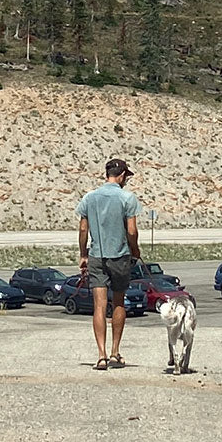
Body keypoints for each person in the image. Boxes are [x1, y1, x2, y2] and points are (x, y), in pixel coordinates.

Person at [76, 158, 142, 370]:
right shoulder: (127, 198)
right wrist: (135, 249)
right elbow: (131, 230)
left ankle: (101, 355)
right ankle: (115, 351)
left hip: (96, 255)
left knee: (99, 305)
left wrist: (83, 254)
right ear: (122, 175)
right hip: (120, 255)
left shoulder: (89, 198)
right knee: (119, 302)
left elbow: (83, 229)